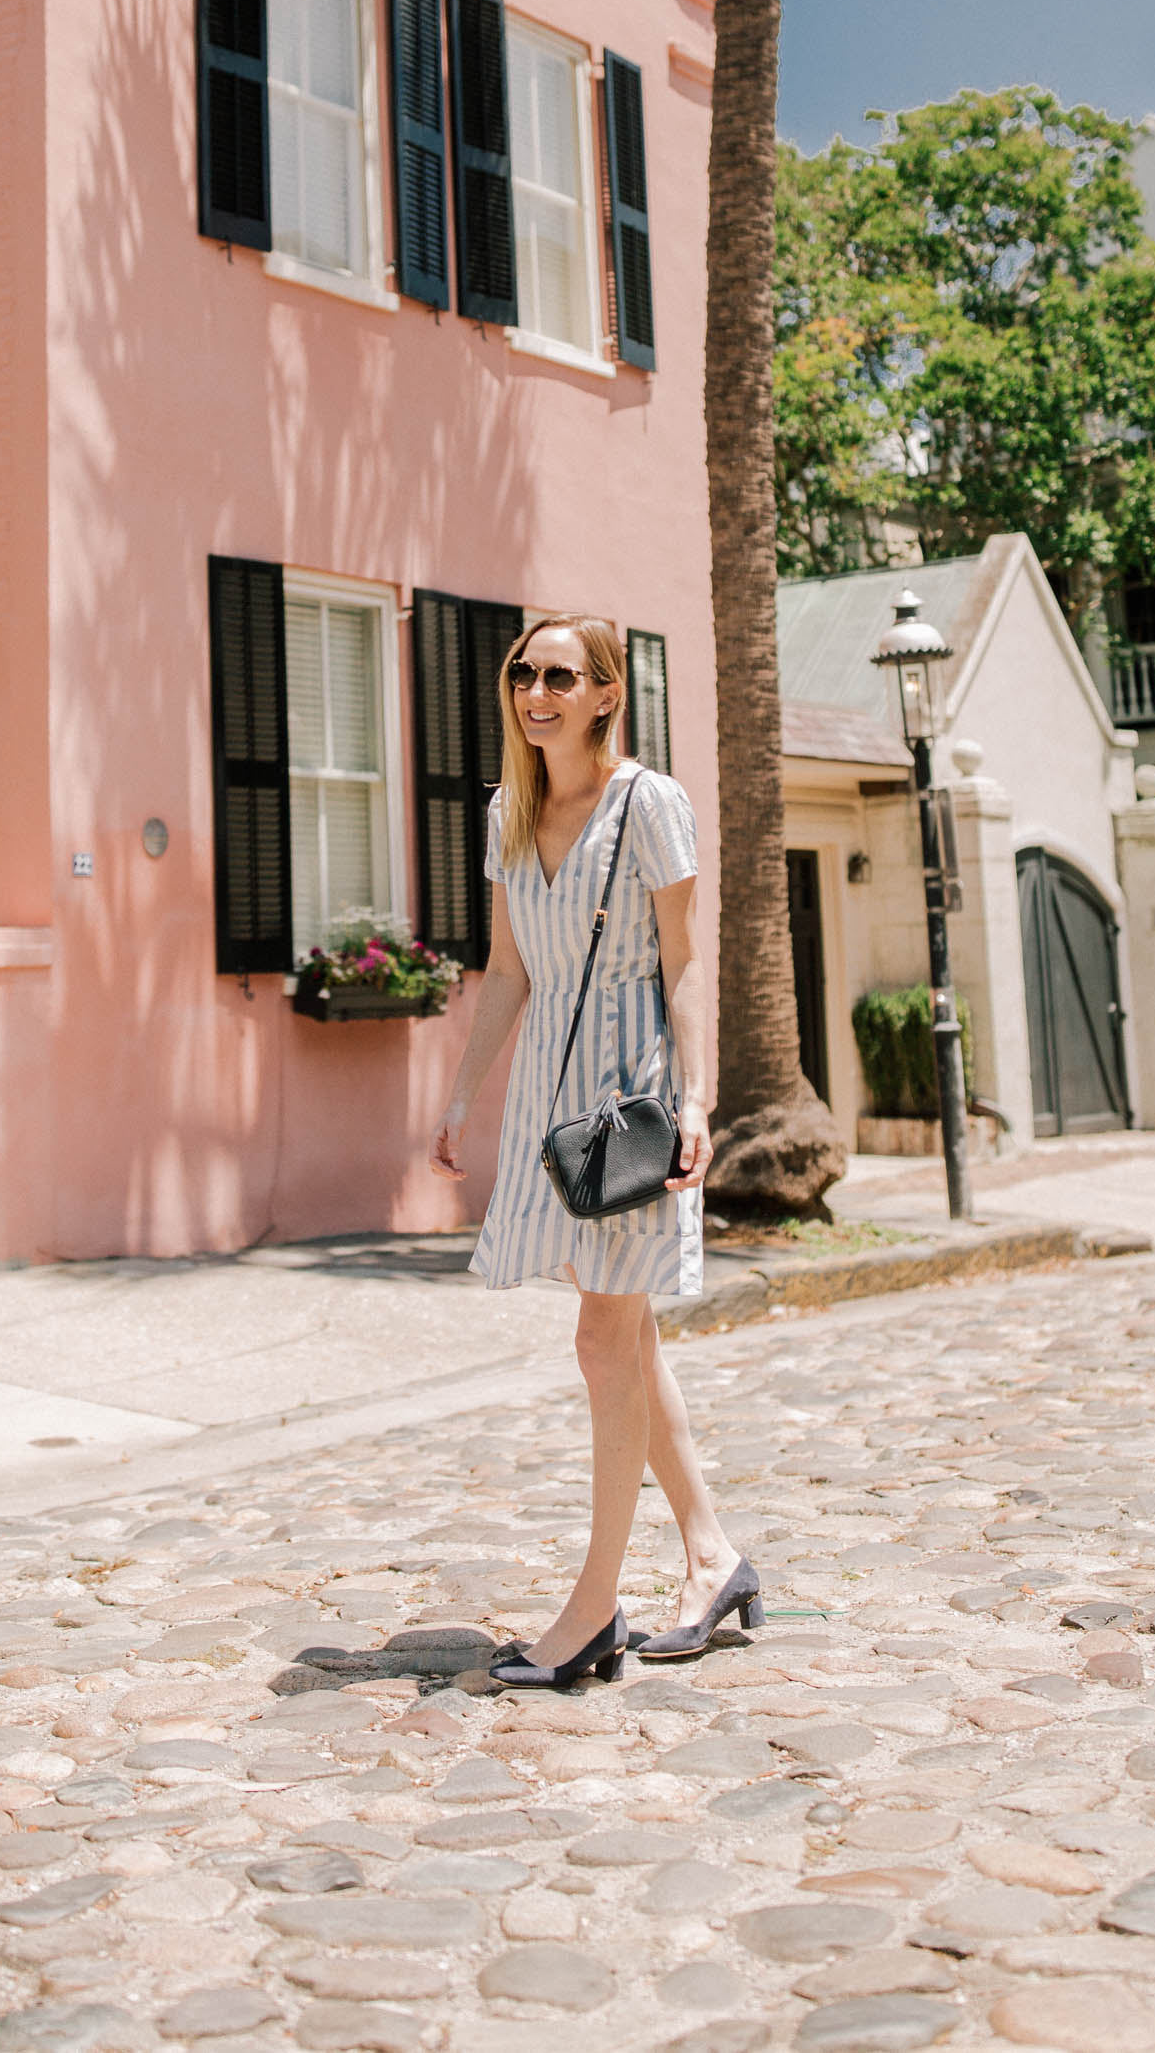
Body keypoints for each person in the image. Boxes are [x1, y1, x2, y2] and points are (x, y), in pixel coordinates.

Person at [430, 613, 759, 1684]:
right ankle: (713, 1558)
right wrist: (462, 1096)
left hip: (632, 1102)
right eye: (522, 673)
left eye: (560, 675)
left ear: (606, 694)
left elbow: (682, 962)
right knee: (626, 1340)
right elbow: (509, 970)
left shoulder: (648, 803)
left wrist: (700, 1098)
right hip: (549, 1108)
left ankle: (593, 1611)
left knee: (602, 1343)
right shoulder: (508, 814)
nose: (536, 691)